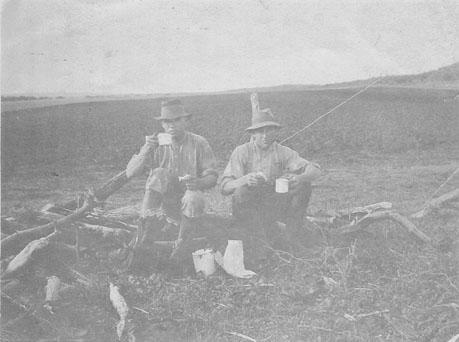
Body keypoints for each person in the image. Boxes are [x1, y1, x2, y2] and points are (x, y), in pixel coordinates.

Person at [220, 94, 321, 254]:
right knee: (242, 191)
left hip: (274, 204)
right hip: (248, 208)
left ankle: (291, 240)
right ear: (253, 133)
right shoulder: (242, 152)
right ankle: (262, 244)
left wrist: (300, 177)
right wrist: (244, 179)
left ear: (275, 132)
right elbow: (224, 188)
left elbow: (314, 169)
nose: (265, 135)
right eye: (260, 131)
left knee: (303, 186)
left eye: (269, 130)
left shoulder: (282, 152)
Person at [126, 99, 218, 256]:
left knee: (193, 197)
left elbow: (212, 176)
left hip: (190, 203)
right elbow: (130, 173)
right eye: (167, 121)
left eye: (177, 120)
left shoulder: (199, 143)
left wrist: (199, 182)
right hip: (162, 206)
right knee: (159, 173)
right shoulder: (156, 145)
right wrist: (147, 149)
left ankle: (181, 246)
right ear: (162, 124)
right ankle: (144, 236)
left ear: (186, 121)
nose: (172, 125)